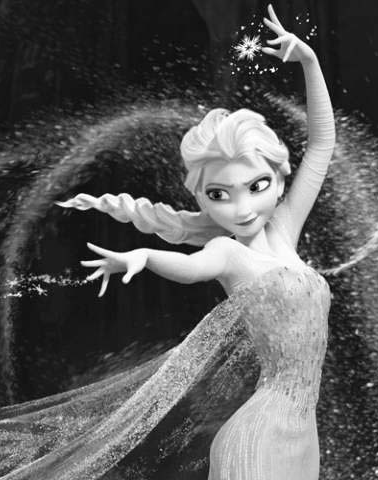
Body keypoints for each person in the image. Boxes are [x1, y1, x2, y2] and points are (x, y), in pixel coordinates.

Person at [57, 5, 335, 479]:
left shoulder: (284, 230)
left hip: (302, 434)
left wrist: (309, 62)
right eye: (219, 195)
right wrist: (145, 255)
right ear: (202, 200)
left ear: (279, 181)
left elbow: (323, 145)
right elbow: (190, 269)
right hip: (260, 435)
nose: (241, 208)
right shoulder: (228, 253)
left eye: (256, 186)